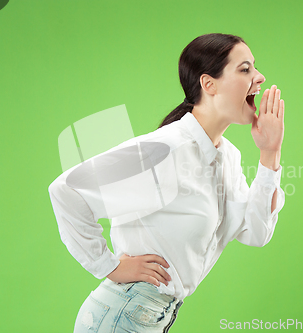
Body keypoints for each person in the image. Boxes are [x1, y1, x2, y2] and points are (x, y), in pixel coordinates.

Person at [48, 33, 286, 333]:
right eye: (245, 69)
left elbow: (256, 231)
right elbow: (65, 190)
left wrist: (269, 152)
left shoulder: (228, 157)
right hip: (122, 316)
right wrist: (109, 266)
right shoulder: (167, 148)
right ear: (208, 84)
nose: (259, 76)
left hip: (151, 317)